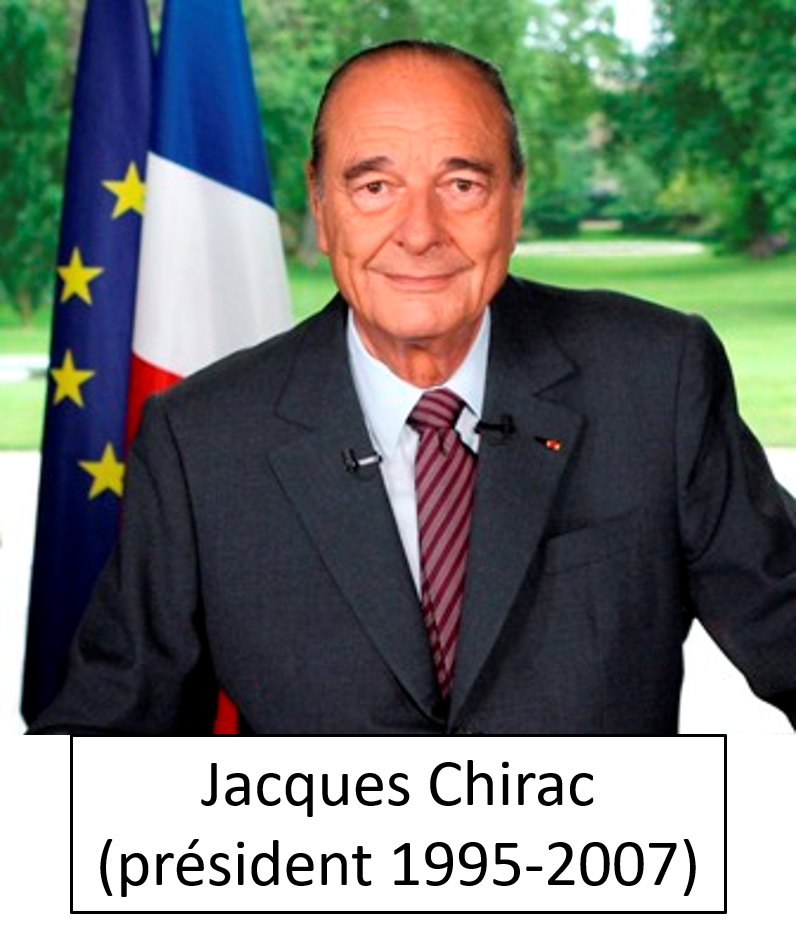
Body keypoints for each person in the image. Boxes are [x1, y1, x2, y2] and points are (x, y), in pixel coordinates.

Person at [30, 40, 796, 734]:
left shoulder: (657, 378)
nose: (420, 231)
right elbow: (109, 716)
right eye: (373, 187)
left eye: (461, 184)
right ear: (322, 208)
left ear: (515, 201)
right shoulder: (200, 440)